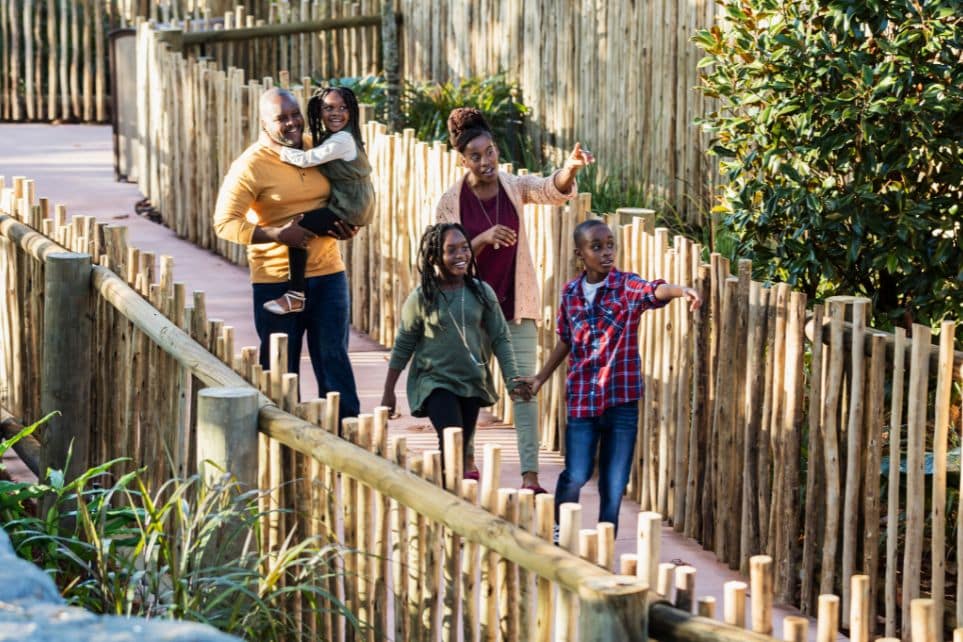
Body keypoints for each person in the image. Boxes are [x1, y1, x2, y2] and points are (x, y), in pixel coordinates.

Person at [435, 107, 593, 491]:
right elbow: (439, 258)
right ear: (462, 160)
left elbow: (548, 188)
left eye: (490, 151)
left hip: (514, 306)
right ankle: (467, 462)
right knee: (467, 389)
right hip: (469, 311)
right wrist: (482, 240)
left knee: (524, 388)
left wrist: (569, 168)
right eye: (476, 156)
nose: (486, 161)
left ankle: (530, 476)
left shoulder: (512, 187)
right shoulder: (450, 202)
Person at [520, 219, 702, 531]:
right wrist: (540, 378)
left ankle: (606, 543)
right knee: (576, 474)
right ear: (581, 254)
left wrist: (679, 290)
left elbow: (652, 291)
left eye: (610, 245)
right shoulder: (571, 293)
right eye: (597, 247)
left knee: (614, 482)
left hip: (621, 401)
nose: (607, 252)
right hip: (582, 399)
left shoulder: (625, 287)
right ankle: (560, 530)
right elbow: (566, 338)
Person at [213, 87, 361, 420]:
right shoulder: (250, 166)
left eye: (296, 114)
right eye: (282, 118)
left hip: (328, 274)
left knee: (334, 361)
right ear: (264, 124)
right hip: (276, 281)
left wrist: (347, 225)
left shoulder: (317, 149)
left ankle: (349, 444)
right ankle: (282, 455)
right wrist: (278, 234)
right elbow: (224, 223)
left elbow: (345, 195)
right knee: (280, 371)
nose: (293, 123)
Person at [380, 223, 531, 482]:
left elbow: (501, 338)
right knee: (452, 437)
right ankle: (445, 501)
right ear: (433, 257)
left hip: (471, 382)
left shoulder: (481, 292)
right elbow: (404, 344)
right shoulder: (422, 298)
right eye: (451, 250)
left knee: (459, 451)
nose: (461, 255)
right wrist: (388, 390)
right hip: (434, 381)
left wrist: (512, 380)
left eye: (464, 248)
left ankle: (447, 499)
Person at [261, 86, 375, 316]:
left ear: (352, 111)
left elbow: (306, 159)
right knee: (307, 226)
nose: (336, 113)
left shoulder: (342, 140)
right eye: (328, 108)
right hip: (352, 203)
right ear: (318, 111)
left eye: (343, 108)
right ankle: (297, 293)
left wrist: (276, 148)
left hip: (350, 206)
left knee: (298, 227)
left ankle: (295, 295)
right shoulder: (334, 138)